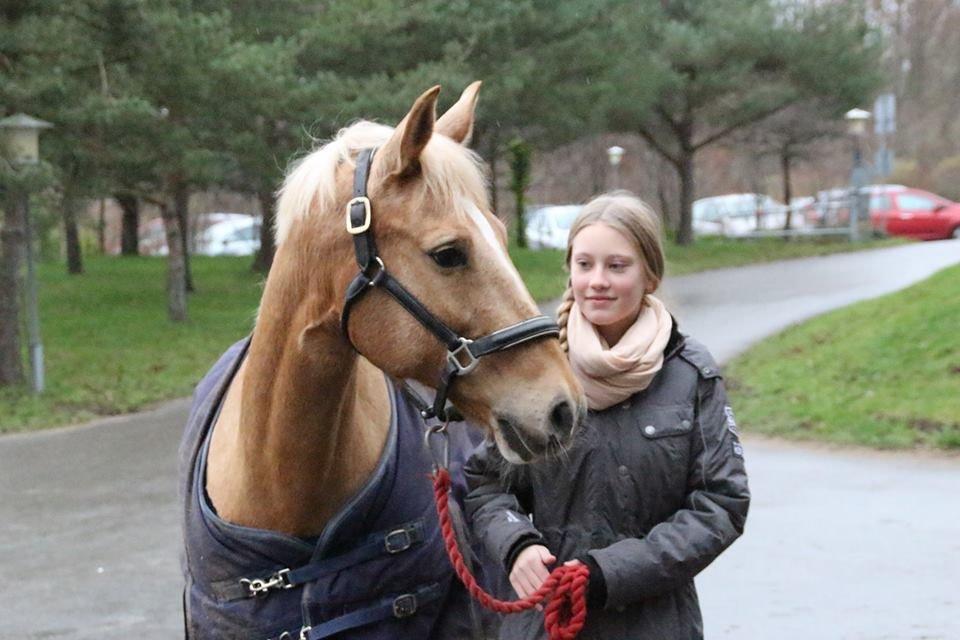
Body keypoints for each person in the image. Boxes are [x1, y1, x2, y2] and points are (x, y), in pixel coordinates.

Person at [464, 192, 750, 639]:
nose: (597, 280)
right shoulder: (538, 369)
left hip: (655, 626)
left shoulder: (691, 373)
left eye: (617, 266)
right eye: (585, 265)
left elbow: (721, 504)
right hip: (543, 624)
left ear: (650, 275)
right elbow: (486, 485)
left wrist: (610, 573)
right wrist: (516, 545)